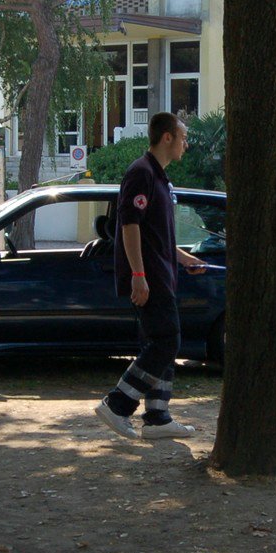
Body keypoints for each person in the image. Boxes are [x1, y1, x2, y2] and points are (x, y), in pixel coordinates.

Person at [94, 112, 207, 440]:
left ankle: (158, 417)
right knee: (167, 340)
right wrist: (138, 275)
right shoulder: (141, 173)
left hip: (164, 273)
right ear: (167, 137)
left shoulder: (159, 177)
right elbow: (128, 226)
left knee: (164, 342)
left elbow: (158, 236)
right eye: (183, 137)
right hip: (150, 277)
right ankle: (117, 404)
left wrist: (184, 260)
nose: (186, 144)